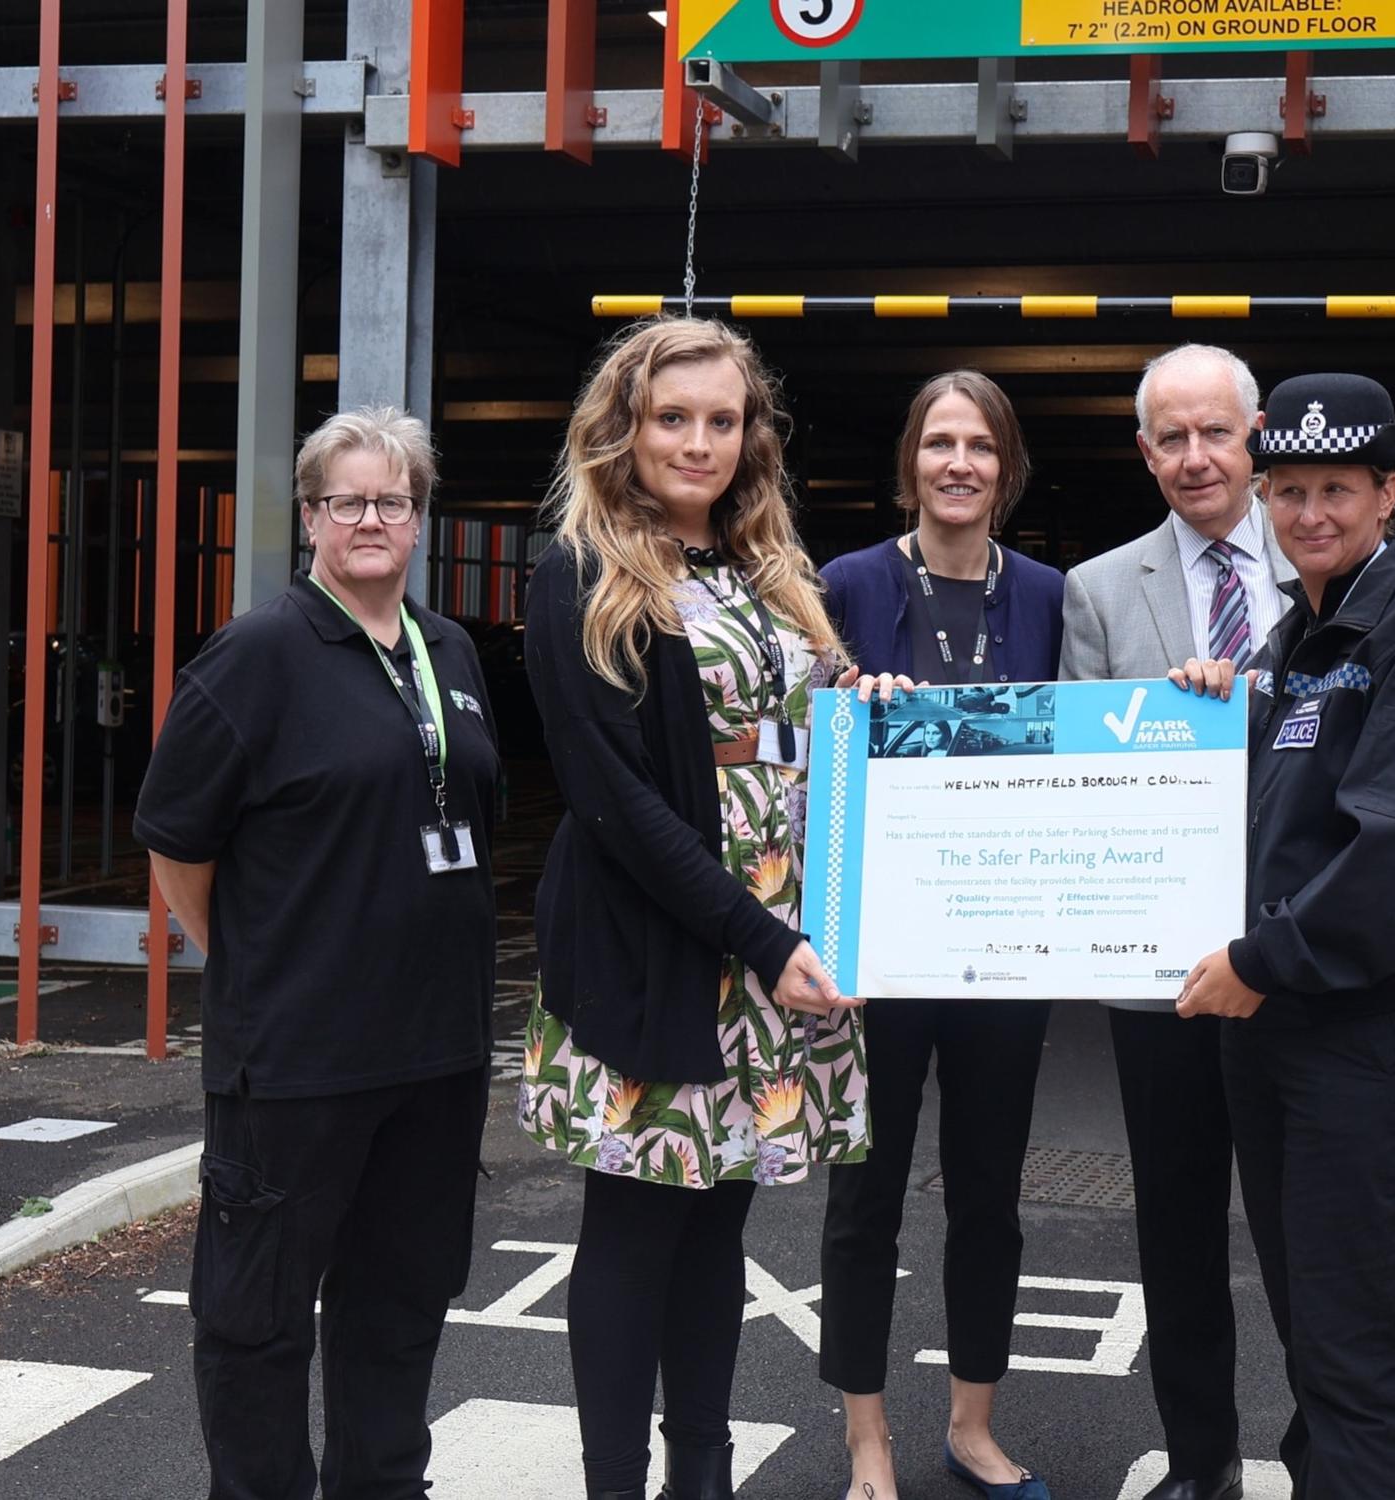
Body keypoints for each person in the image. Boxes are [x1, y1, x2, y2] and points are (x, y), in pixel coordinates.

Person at [515, 318, 869, 1500]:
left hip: (774, 939)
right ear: (622, 427)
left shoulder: (768, 566)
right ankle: (617, 1485)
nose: (699, 442)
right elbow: (612, 797)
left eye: (722, 420)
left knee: (717, 1228)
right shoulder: (579, 569)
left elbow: (812, 739)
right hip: (665, 945)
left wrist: (876, 709)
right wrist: (761, 940)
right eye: (673, 418)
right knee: (633, 1232)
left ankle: (702, 1478)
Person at [1170, 373, 1395, 1499]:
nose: (1309, 514)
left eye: (1335, 489)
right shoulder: (1301, 634)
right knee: (1315, 1335)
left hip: (1378, 1040)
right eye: (1286, 492)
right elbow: (1269, 823)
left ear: (1388, 492)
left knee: (1356, 1348)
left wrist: (1255, 960)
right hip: (1286, 1032)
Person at [137, 406, 497, 1500]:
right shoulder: (257, 656)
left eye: (394, 500)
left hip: (434, 1060)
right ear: (310, 518)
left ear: (419, 517)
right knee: (256, 1324)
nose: (372, 520)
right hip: (295, 1063)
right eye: (348, 501)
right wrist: (258, 963)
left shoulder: (449, 649)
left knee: (399, 1311)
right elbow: (175, 843)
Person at [815, 371, 1067, 1500]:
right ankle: (866, 1434)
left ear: (1005, 469)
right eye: (937, 443)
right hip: (877, 944)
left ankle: (972, 1423)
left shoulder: (1052, 598)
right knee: (865, 1193)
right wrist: (850, 707)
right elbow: (801, 752)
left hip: (1006, 943)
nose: (957, 463)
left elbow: (1101, 740)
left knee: (988, 1194)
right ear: (910, 461)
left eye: (979, 446)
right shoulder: (848, 585)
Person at [1054, 345, 1284, 1500]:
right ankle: (1203, 1464)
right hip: (1165, 973)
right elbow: (1077, 780)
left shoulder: (1331, 557)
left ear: (1255, 436)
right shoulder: (1096, 590)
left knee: (1315, 1244)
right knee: (1180, 1239)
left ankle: (1333, 1452)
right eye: (1171, 440)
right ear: (1144, 455)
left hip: (1306, 961)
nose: (1196, 459)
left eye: (1216, 434)